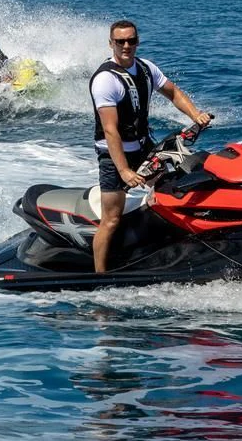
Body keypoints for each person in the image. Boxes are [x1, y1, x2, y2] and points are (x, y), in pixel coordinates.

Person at [89, 19, 212, 273]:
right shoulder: (105, 80)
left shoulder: (146, 69)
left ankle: (163, 252)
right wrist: (124, 171)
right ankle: (99, 275)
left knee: (170, 196)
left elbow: (173, 92)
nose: (126, 46)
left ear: (137, 41)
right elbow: (111, 130)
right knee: (111, 219)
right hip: (115, 158)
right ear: (111, 43)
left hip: (145, 149)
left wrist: (195, 115)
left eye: (131, 41)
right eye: (120, 41)